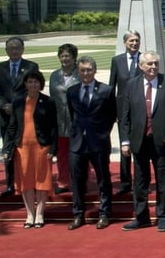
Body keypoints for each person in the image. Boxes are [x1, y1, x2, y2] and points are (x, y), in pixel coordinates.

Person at [118, 51, 165, 232]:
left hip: (161, 141)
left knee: (163, 180)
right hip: (139, 141)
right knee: (140, 181)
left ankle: (163, 216)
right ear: (141, 66)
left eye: (156, 63)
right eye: (149, 64)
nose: (153, 67)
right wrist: (124, 141)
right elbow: (125, 116)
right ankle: (141, 216)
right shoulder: (131, 85)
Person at [67, 56, 117, 230]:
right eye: (82, 70)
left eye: (89, 69)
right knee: (77, 181)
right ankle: (78, 214)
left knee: (103, 179)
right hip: (77, 143)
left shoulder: (106, 90)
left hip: (98, 142)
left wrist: (102, 132)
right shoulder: (72, 91)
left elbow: (112, 115)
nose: (86, 73)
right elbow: (72, 114)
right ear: (78, 71)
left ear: (94, 70)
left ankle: (104, 214)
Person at [3, 70, 58, 228]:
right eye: (30, 81)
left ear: (41, 84)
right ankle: (30, 214)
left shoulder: (48, 101)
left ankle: (40, 213)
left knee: (41, 181)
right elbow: (12, 126)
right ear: (25, 84)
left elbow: (54, 127)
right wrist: (7, 148)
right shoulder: (18, 101)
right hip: (22, 147)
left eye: (36, 82)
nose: (33, 84)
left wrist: (53, 148)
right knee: (26, 181)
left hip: (42, 146)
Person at [0, 37, 39, 197]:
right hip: (5, 115)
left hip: (25, 115)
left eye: (17, 48)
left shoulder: (31, 66)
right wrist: (4, 105)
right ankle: (10, 184)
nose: (14, 51)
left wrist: (16, 105)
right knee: (8, 151)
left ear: (23, 49)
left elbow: (33, 88)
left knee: (29, 151)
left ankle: (30, 182)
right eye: (11, 48)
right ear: (6, 50)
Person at [109, 30, 142, 196]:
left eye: (137, 40)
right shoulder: (117, 61)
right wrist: (112, 111)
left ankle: (140, 180)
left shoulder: (145, 60)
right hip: (123, 110)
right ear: (125, 43)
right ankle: (125, 181)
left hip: (141, 111)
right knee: (125, 146)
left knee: (139, 147)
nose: (134, 44)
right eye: (131, 41)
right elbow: (111, 87)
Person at [48, 43, 78, 193]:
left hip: (76, 120)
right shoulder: (54, 75)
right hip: (59, 121)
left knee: (77, 154)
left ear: (74, 57)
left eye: (68, 56)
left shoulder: (80, 73)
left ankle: (78, 181)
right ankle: (63, 182)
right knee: (62, 154)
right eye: (62, 56)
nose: (65, 59)